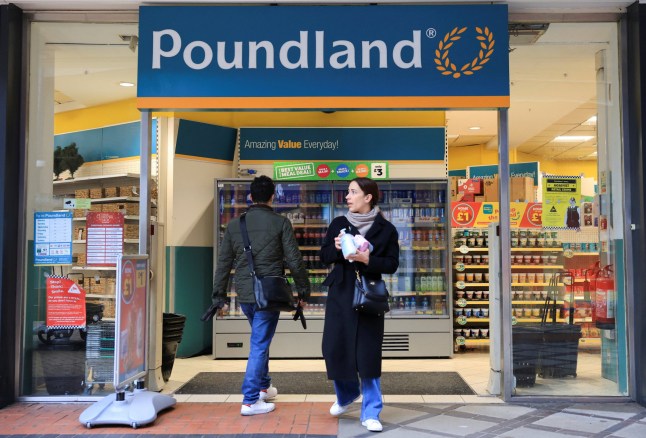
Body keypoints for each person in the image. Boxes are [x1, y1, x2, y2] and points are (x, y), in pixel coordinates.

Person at [211, 175, 310, 416]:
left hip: (245, 294)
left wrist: (219, 296)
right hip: (269, 294)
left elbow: (223, 263)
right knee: (259, 343)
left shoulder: (235, 225)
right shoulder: (281, 223)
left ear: (251, 197)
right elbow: (295, 261)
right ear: (272, 196)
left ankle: (264, 387)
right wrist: (303, 290)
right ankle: (250, 400)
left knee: (260, 339)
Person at [319, 177, 400, 433]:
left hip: (369, 298)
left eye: (353, 192)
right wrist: (334, 248)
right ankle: (346, 395)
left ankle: (372, 410)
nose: (347, 196)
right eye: (347, 192)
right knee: (334, 348)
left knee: (368, 354)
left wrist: (368, 259)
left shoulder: (386, 229)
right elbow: (323, 257)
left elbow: (391, 264)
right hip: (341, 294)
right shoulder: (339, 224)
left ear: (368, 197)